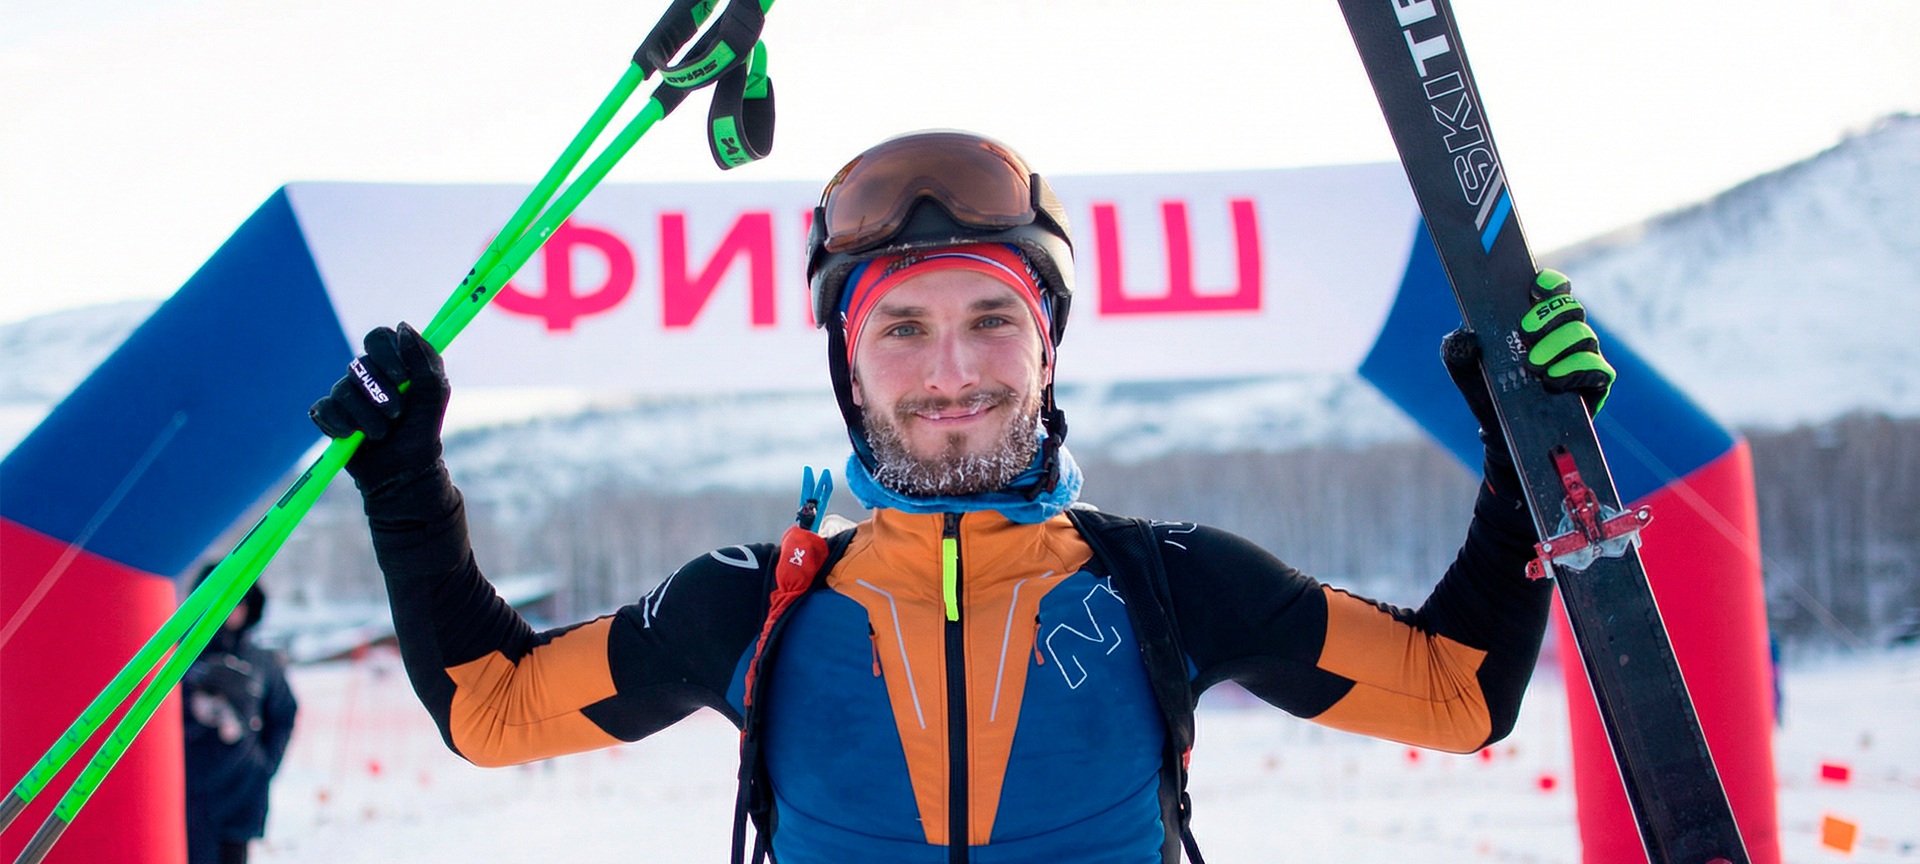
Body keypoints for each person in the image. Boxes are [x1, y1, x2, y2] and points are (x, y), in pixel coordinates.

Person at [309, 130, 1615, 863]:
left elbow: (1456, 694)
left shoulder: (1167, 582)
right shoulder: (752, 609)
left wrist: (1522, 464)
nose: (952, 373)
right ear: (849, 367)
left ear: (1048, 351)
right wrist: (404, 480)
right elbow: (491, 709)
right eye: (903, 329)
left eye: (994, 319)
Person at [182, 567, 298, 864]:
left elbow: (284, 713)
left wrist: (264, 764)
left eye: (239, 601)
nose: (231, 610)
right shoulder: (179, 659)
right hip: (189, 793)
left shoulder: (262, 661)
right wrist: (196, 715)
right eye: (223, 600)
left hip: (241, 789)